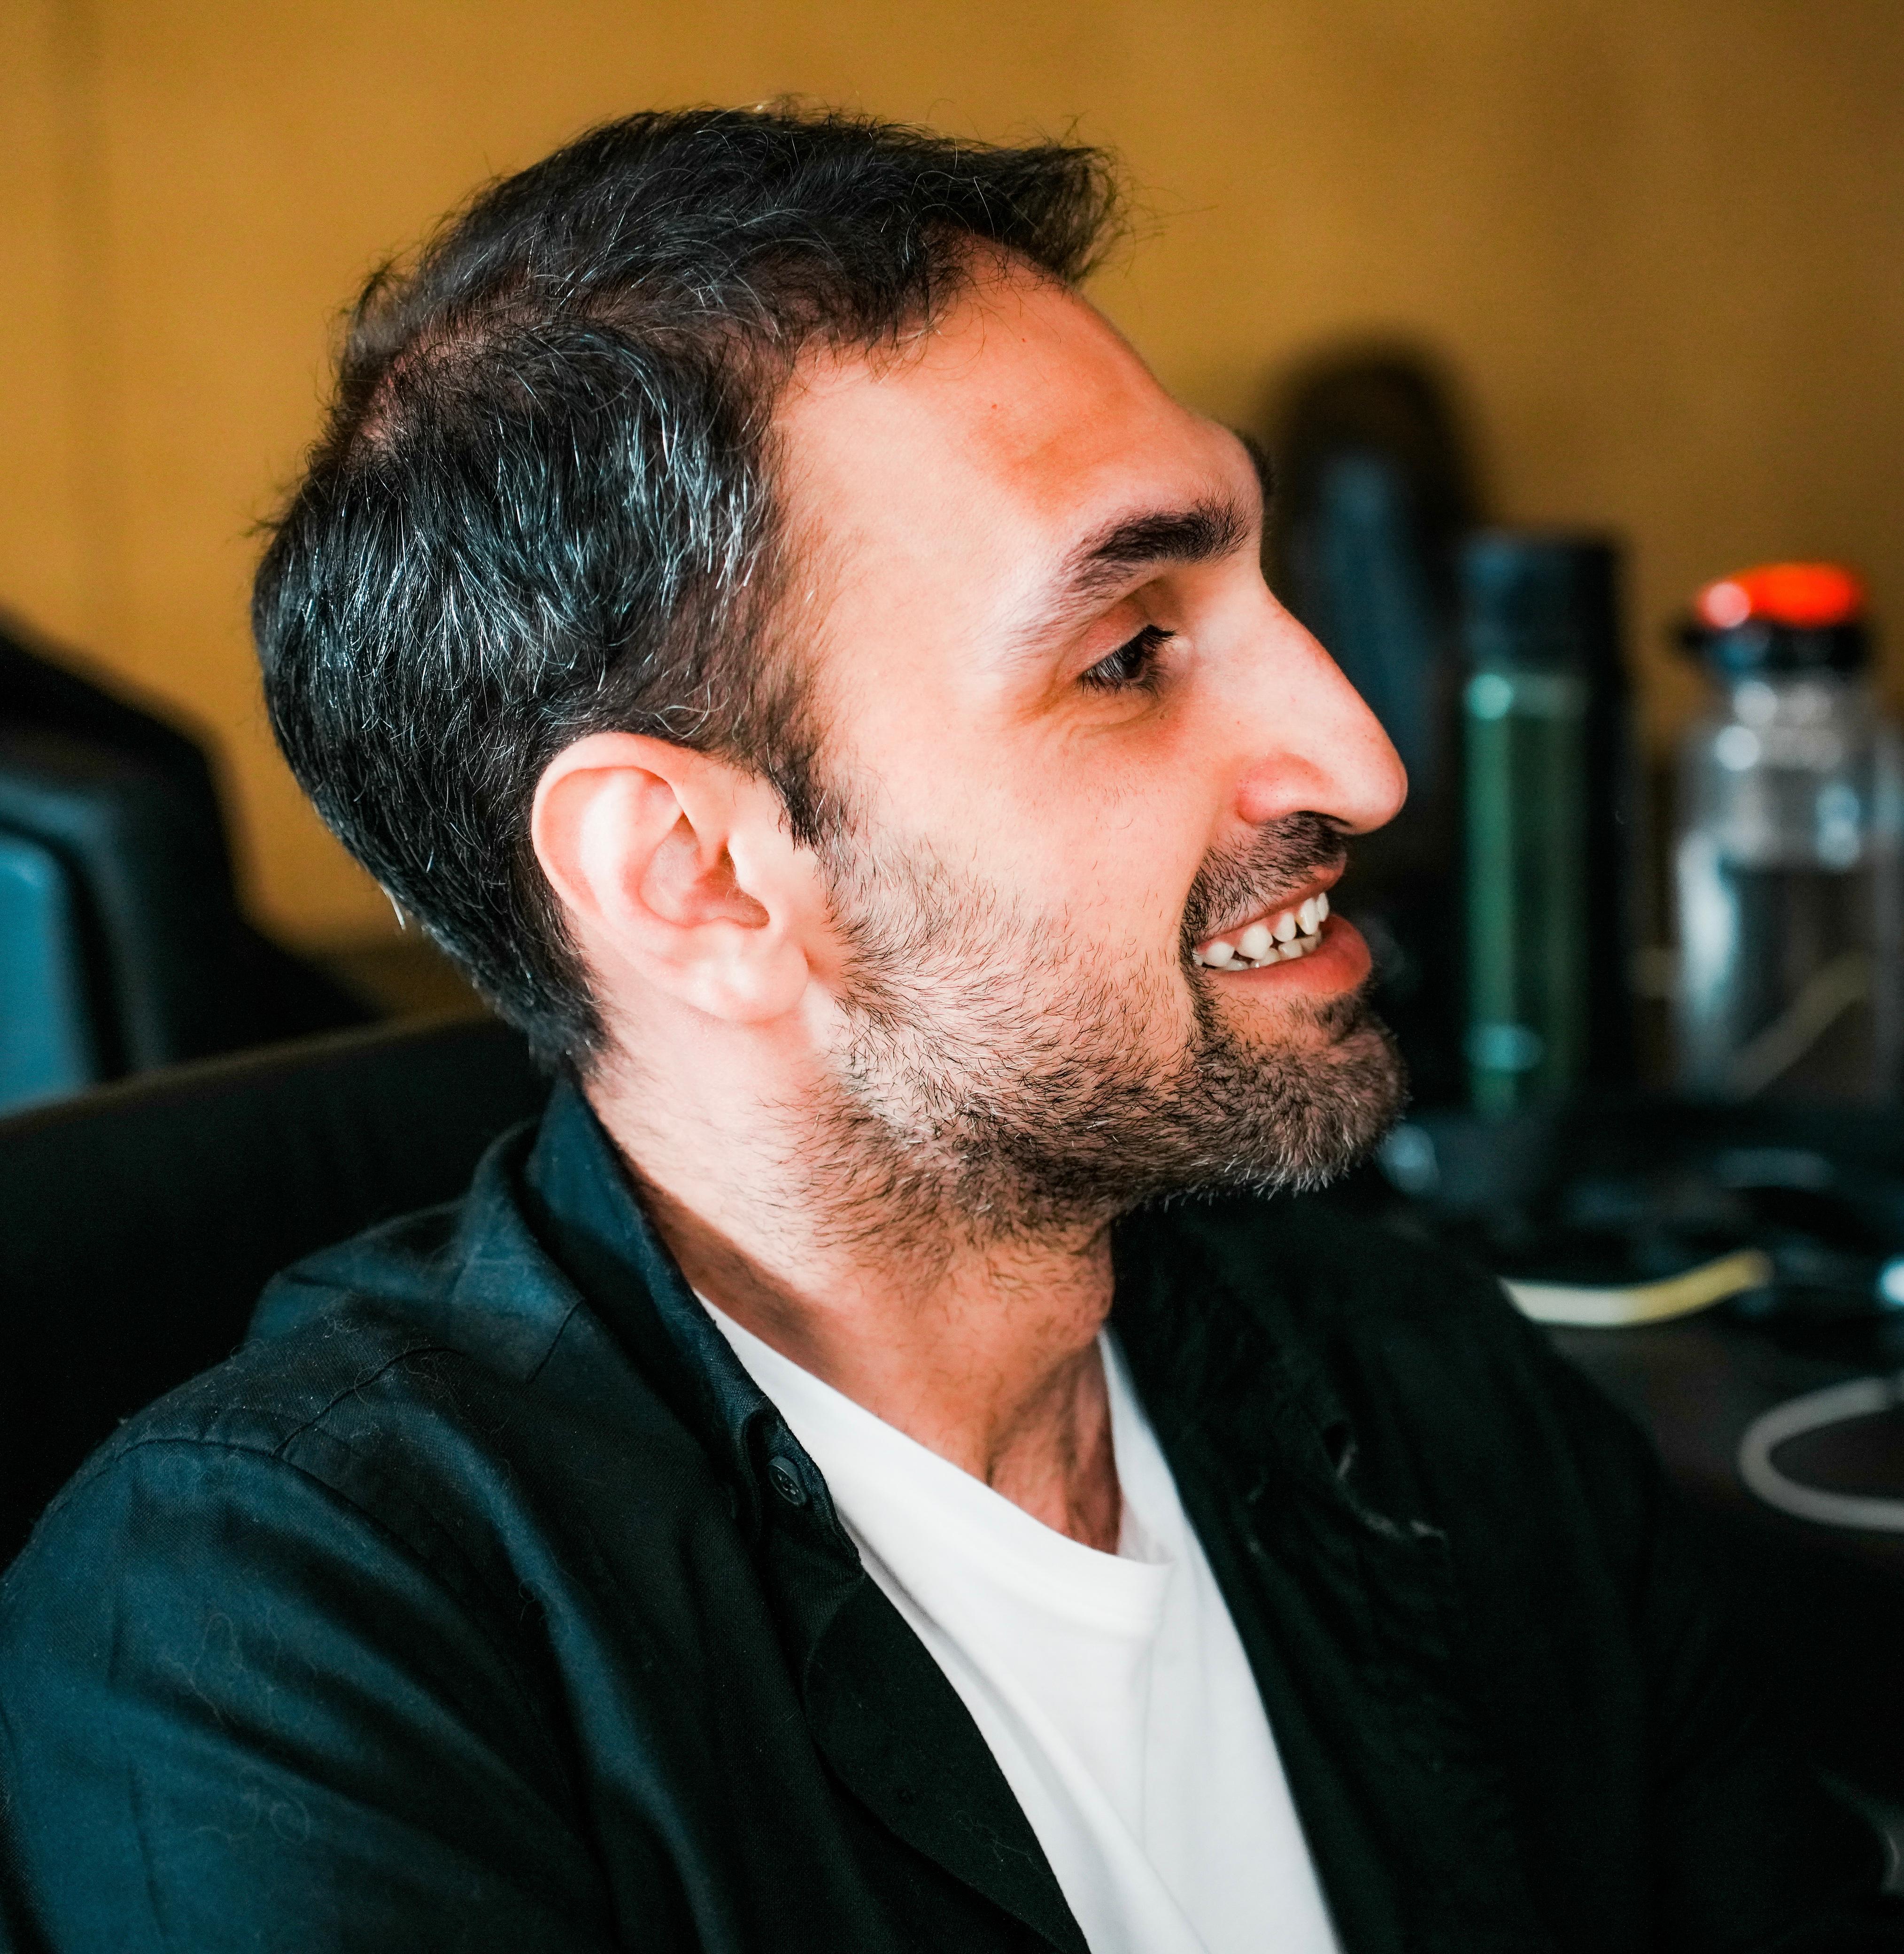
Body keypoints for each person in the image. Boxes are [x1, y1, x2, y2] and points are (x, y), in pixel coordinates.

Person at [0, 107, 1894, 1954]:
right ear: (696, 877)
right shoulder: (279, 1645)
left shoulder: (1421, 1388)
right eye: (1126, 655)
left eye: (1264, 586)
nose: (1360, 760)